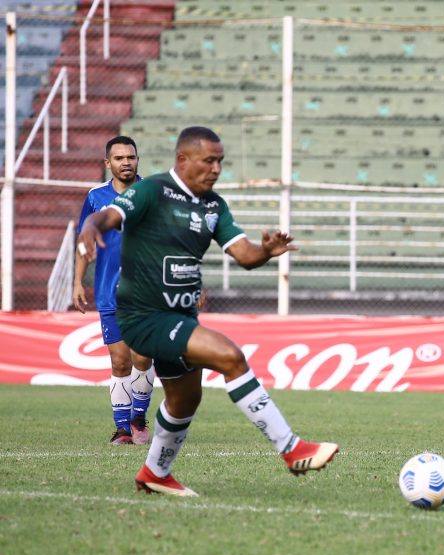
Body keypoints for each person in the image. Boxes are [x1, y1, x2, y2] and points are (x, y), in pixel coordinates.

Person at [76, 126, 338, 496]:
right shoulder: (152, 190)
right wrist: (90, 226)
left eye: (220, 161)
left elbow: (244, 255)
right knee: (231, 357)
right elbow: (109, 216)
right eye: (208, 160)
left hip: (181, 316)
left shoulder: (213, 206)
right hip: (144, 315)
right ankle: (292, 449)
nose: (216, 168)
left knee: (185, 400)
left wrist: (266, 251)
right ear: (183, 160)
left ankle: (155, 473)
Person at [73, 136, 155, 446]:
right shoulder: (96, 197)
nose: (126, 162)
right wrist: (77, 281)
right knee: (120, 361)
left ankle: (138, 418)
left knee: (143, 358)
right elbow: (84, 241)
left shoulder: (152, 194)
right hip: (109, 290)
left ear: (137, 160)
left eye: (131, 157)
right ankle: (122, 429)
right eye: (119, 158)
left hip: (146, 291)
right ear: (108, 163)